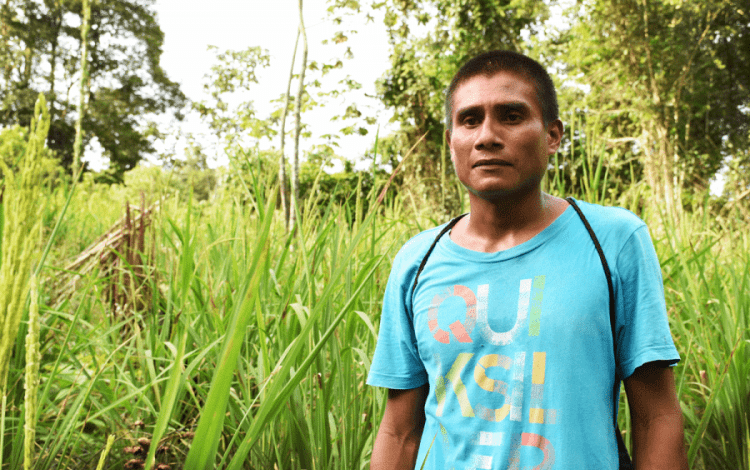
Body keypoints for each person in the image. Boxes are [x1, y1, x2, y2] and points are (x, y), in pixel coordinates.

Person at [367, 50, 688, 469]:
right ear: (451, 142)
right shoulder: (418, 260)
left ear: (552, 135)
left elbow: (656, 417)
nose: (487, 136)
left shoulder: (613, 240)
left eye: (511, 116)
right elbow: (399, 432)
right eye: (469, 120)